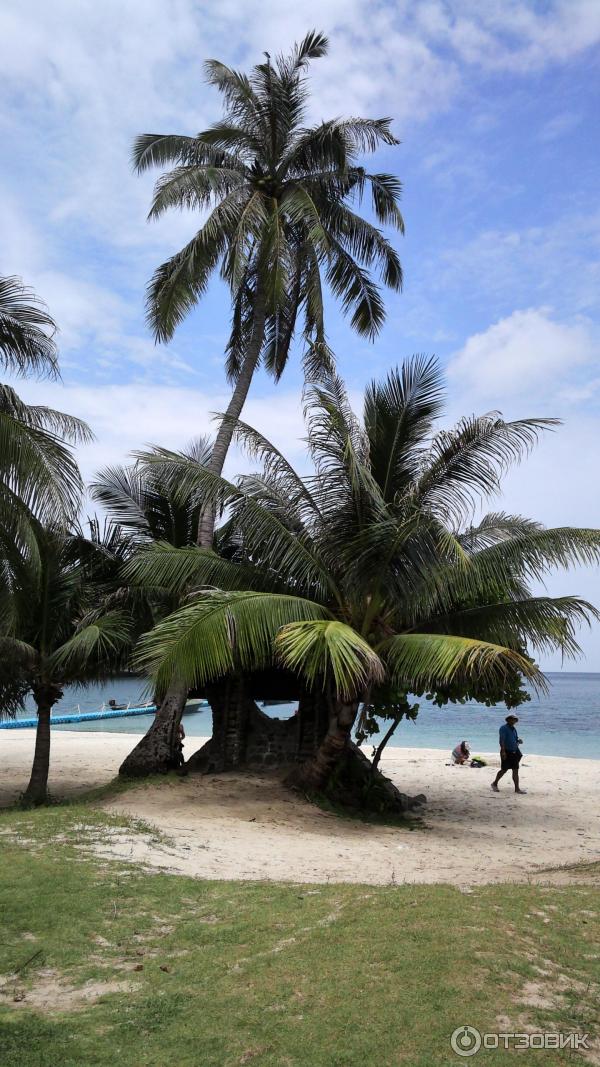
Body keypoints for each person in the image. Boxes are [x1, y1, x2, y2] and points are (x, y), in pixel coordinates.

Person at [491, 715, 526, 794]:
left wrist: (518, 740)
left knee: (515, 770)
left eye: (515, 720)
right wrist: (503, 752)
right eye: (512, 719)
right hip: (506, 752)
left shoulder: (513, 729)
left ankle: (517, 789)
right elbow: (501, 740)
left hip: (514, 751)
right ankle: (494, 783)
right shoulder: (503, 728)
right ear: (508, 720)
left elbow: (515, 739)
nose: (514, 721)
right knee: (504, 770)